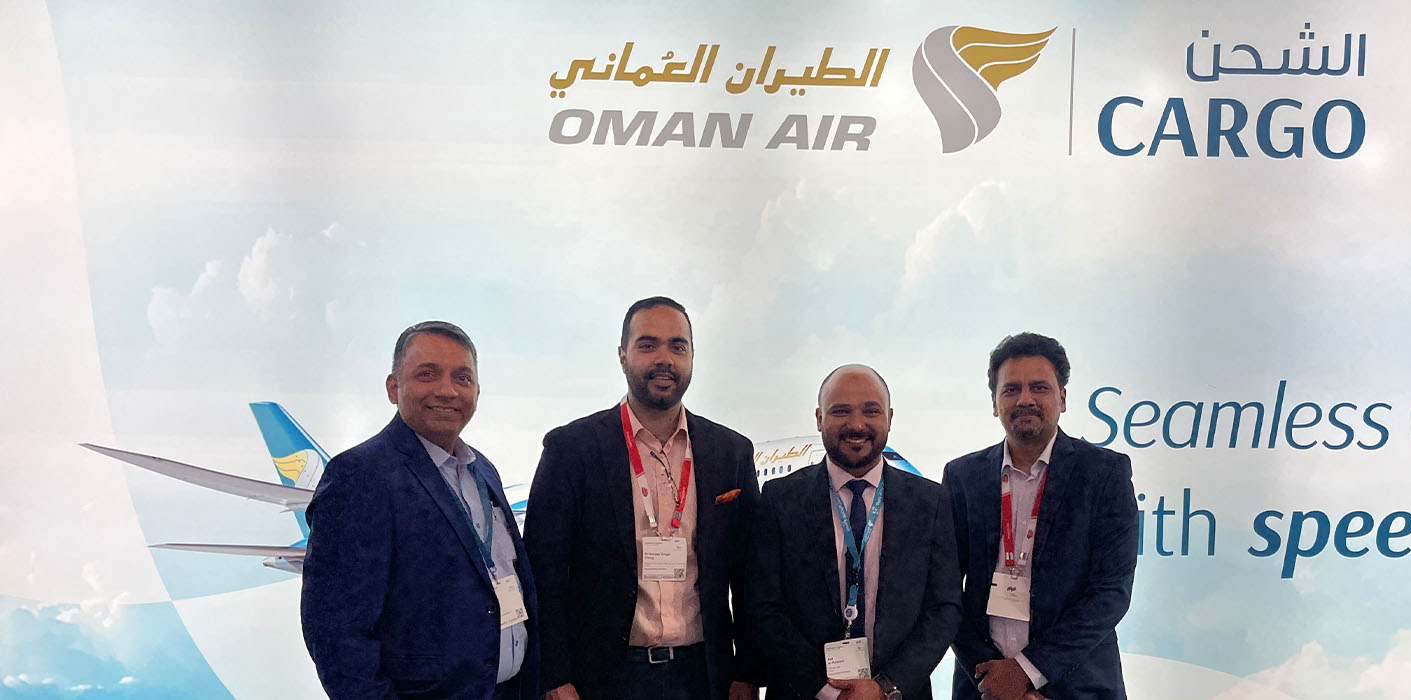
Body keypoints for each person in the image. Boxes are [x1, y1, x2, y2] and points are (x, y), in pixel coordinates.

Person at [526, 296, 761, 700]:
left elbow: (750, 574)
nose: (664, 358)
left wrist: (748, 670)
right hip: (603, 679)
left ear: (692, 356)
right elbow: (544, 572)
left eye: (677, 346)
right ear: (622, 355)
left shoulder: (731, 452)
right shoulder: (572, 449)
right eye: (648, 345)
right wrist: (554, 677)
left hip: (705, 676)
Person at [302, 320, 538, 699]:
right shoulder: (360, 474)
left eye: (462, 378)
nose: (447, 390)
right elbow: (337, 635)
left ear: (477, 391)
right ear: (393, 388)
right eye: (427, 374)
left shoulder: (483, 470)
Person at [748, 364, 960, 700]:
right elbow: (764, 607)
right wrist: (826, 691)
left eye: (871, 411)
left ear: (889, 417)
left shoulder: (930, 501)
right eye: (841, 411)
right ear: (819, 418)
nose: (857, 424)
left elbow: (944, 608)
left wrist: (886, 687)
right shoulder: (779, 500)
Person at [943, 333, 1138, 700]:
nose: (1025, 399)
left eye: (1039, 387)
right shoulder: (963, 477)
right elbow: (945, 590)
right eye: (1011, 389)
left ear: (1062, 398)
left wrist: (1026, 672)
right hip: (983, 686)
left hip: (1077, 688)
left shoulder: (1104, 474)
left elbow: (1111, 592)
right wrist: (996, 680)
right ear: (995, 402)